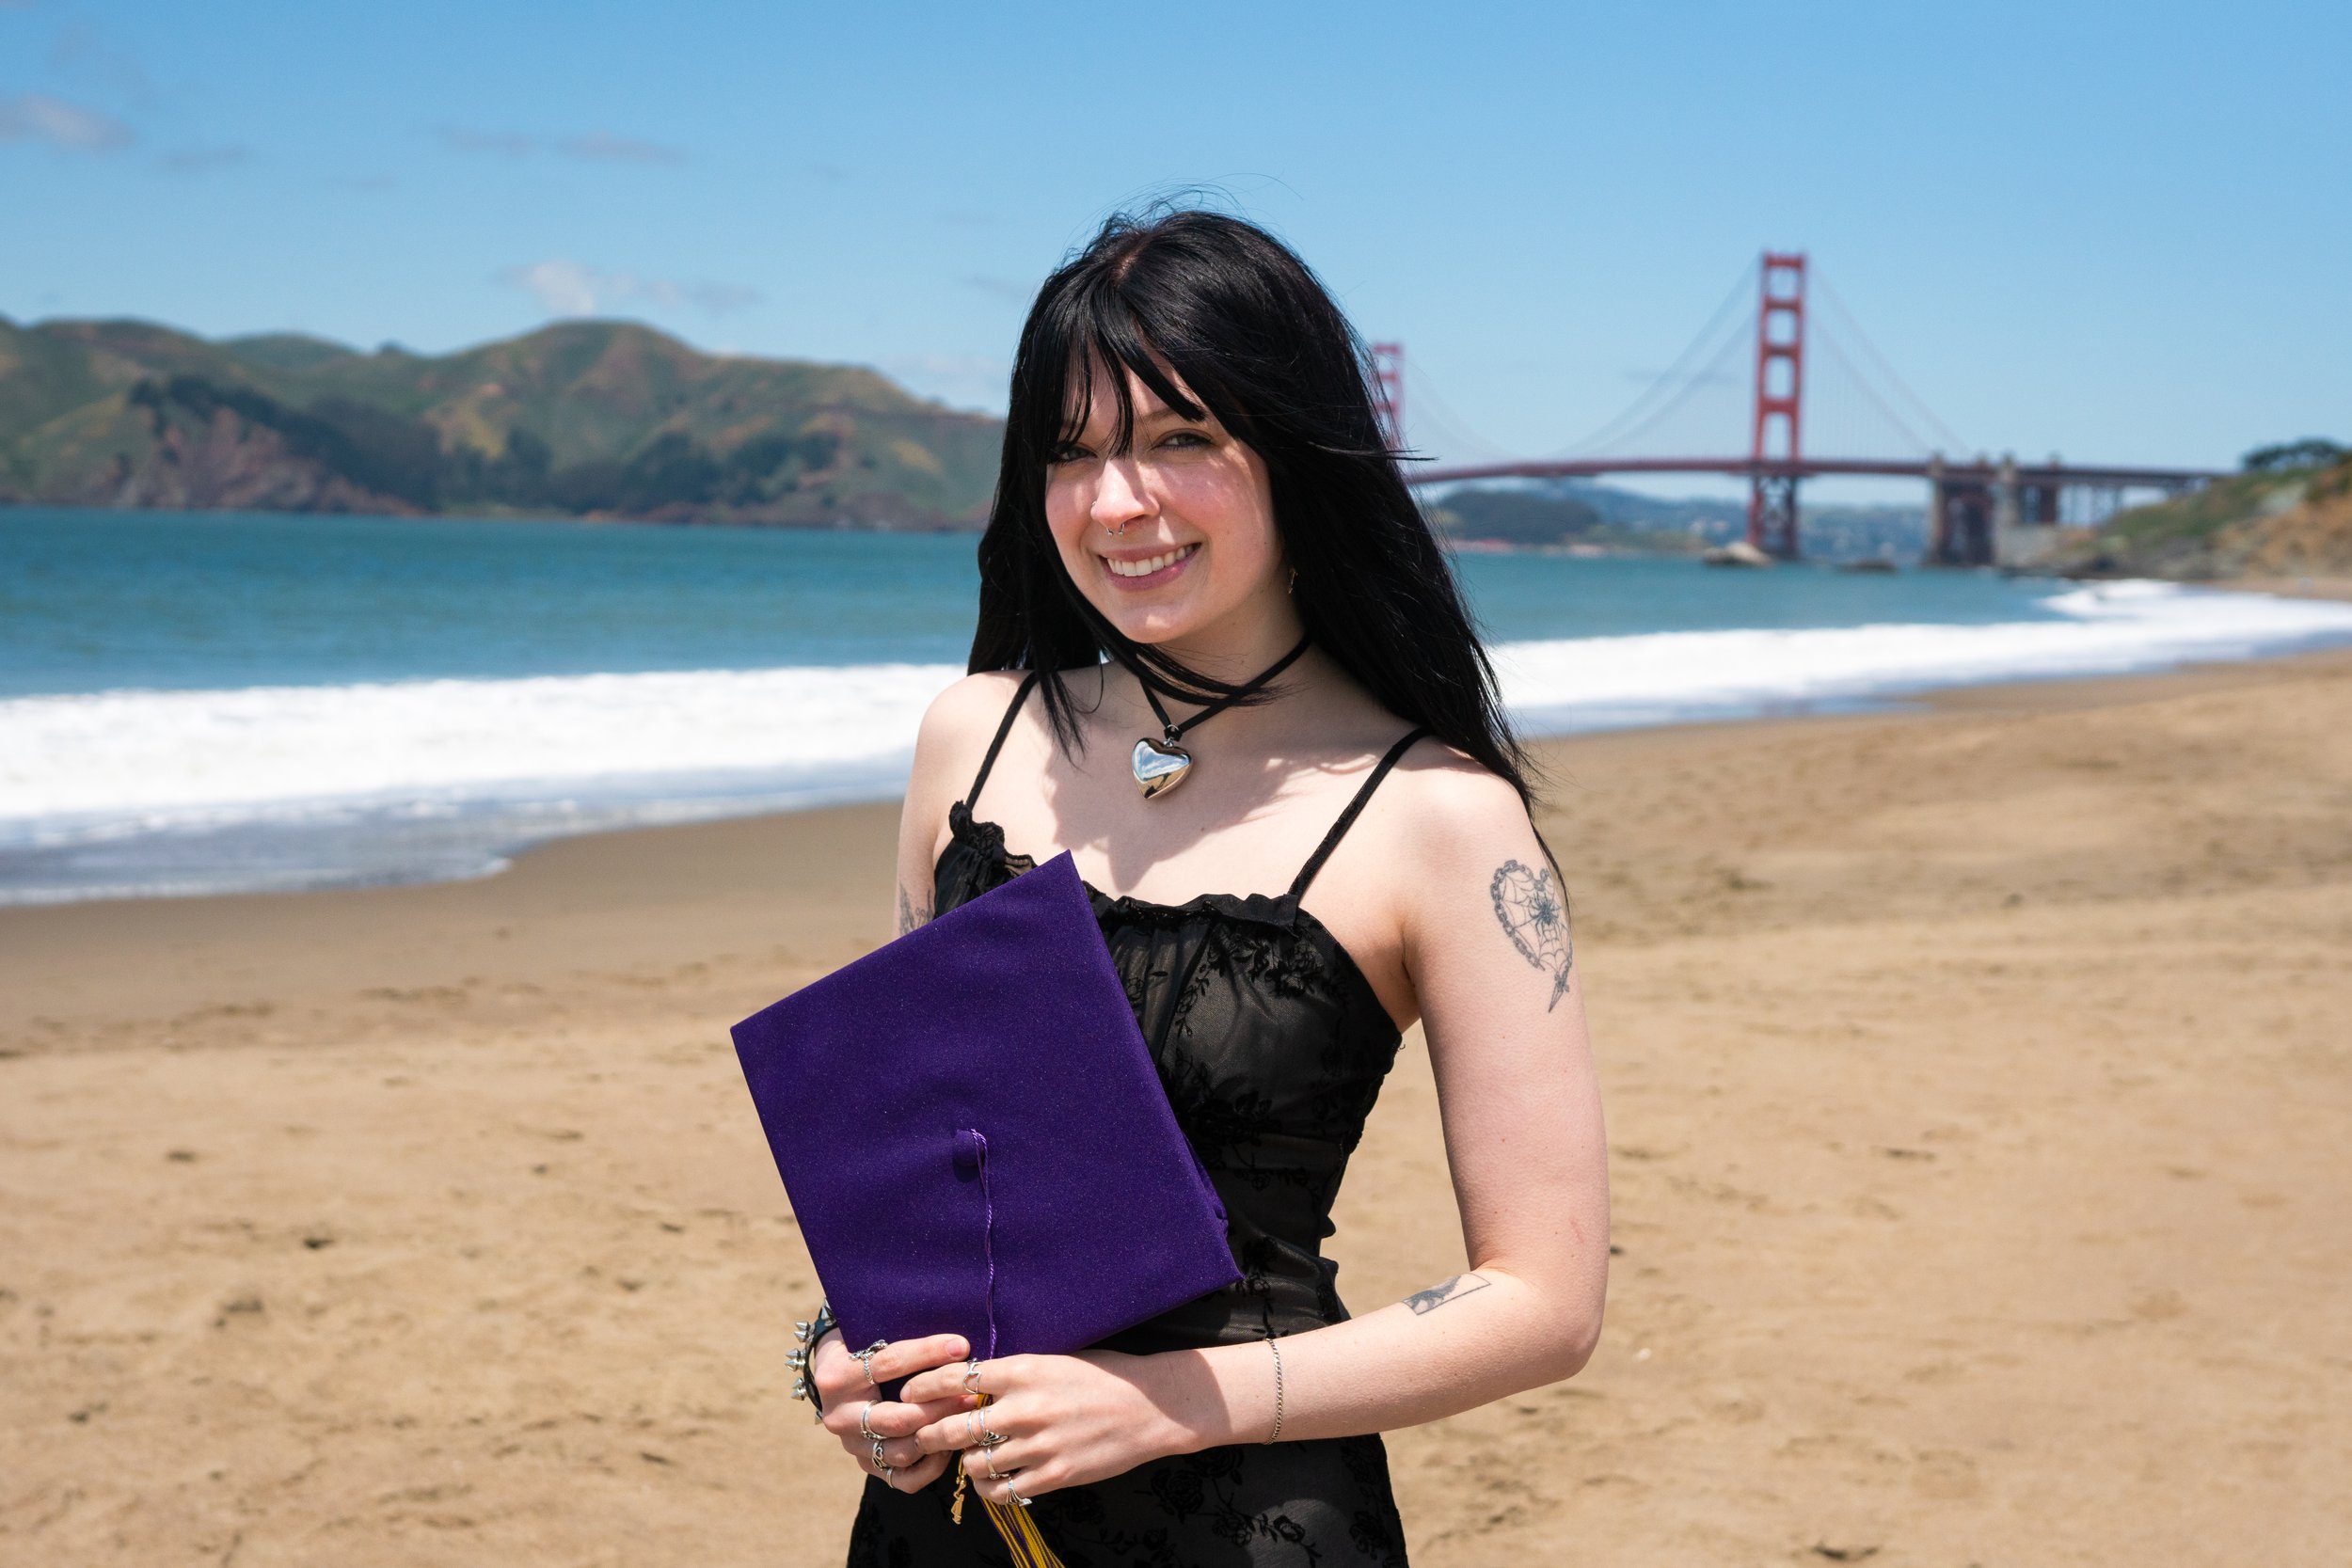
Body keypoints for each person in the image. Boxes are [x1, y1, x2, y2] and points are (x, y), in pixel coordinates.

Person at [805, 208, 1609, 1566]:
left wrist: (1165, 1406)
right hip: (955, 1515)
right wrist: (844, 1350)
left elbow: (1545, 1299)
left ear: (1294, 455)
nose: (1118, 504)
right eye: (1071, 453)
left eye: (1180, 441)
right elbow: (924, 1180)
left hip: (1253, 1523)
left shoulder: (1441, 820)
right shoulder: (973, 738)